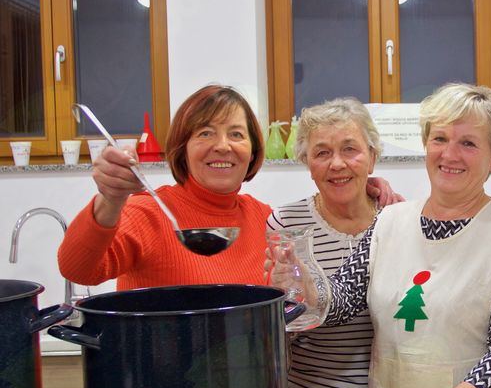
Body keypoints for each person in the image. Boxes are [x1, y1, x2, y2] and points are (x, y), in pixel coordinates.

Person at [319, 82, 491, 388]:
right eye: (440, 139)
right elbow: (340, 300)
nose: (449, 154)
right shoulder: (388, 221)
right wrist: (306, 286)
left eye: (468, 143)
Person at [58, 84, 397, 290]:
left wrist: (362, 190)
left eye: (236, 134)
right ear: (182, 148)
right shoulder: (147, 212)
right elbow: (78, 269)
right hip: (164, 382)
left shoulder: (264, 219)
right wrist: (110, 199)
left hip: (249, 382)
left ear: (252, 149)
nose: (223, 146)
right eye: (205, 133)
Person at [267, 98, 385, 388]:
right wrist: (282, 299)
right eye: (322, 153)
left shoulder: (397, 219)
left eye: (350, 149)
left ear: (372, 157)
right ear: (307, 162)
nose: (337, 164)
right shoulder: (285, 223)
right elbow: (281, 323)